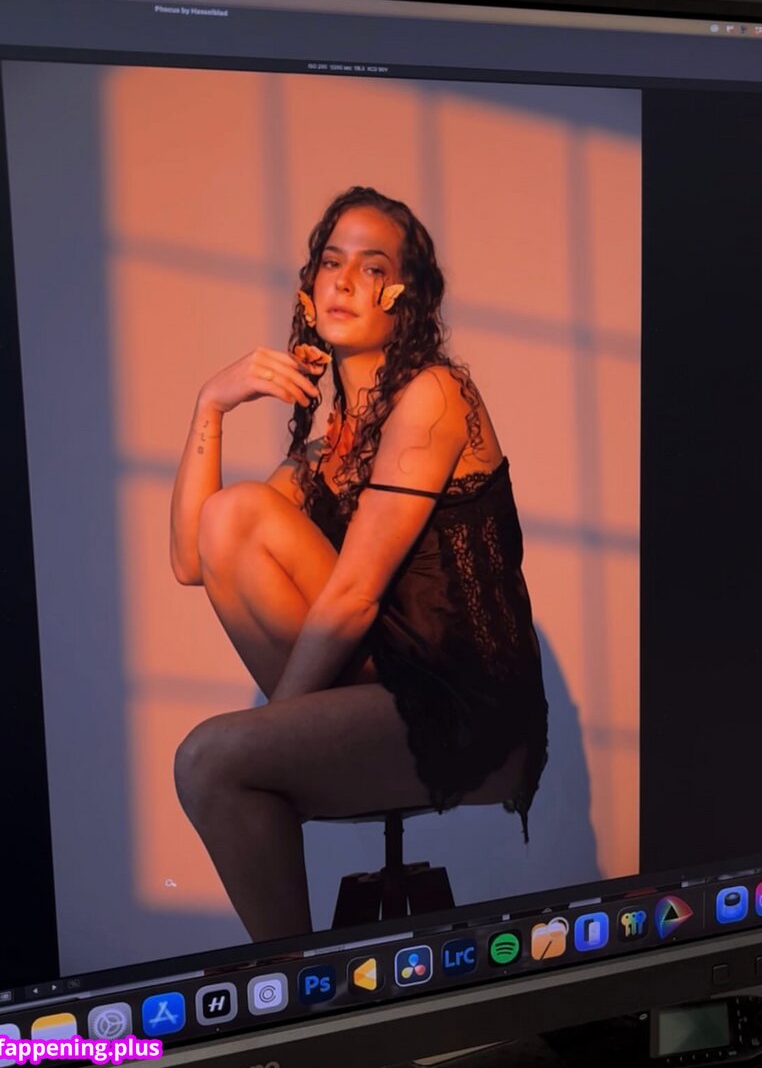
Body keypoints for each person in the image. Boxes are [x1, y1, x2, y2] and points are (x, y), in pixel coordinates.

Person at [170, 185, 548, 943]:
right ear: (308, 291)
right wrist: (210, 404)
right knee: (232, 514)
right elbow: (190, 558)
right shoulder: (321, 455)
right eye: (331, 263)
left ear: (406, 298)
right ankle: (300, 984)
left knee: (212, 758)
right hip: (388, 680)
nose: (344, 281)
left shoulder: (436, 394)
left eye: (372, 268)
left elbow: (353, 596)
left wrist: (273, 732)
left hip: (469, 706)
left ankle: (295, 986)